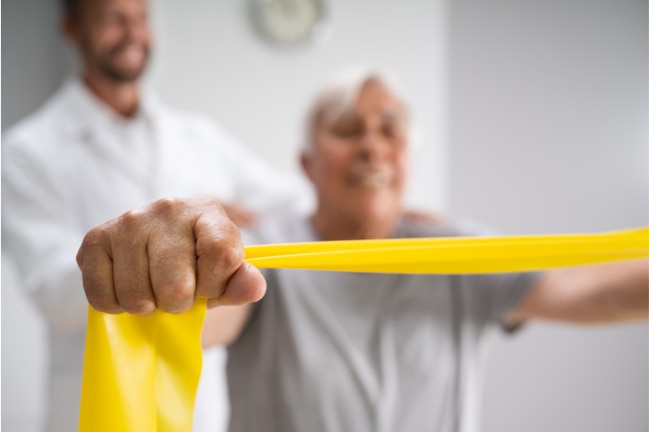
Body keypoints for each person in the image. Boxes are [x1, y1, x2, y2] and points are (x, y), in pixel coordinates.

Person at [75, 72, 648, 432]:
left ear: (407, 162)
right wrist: (167, 269)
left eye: (390, 131)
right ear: (308, 164)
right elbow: (201, 316)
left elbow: (605, 293)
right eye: (348, 129)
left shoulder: (464, 253)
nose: (372, 144)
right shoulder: (265, 248)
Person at [1, 0, 309, 431]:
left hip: (200, 406)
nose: (132, 32)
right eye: (113, 18)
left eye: (141, 18)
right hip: (94, 401)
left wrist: (224, 224)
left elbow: (298, 204)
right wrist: (161, 248)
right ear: (72, 29)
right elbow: (51, 290)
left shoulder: (198, 136)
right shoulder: (27, 151)